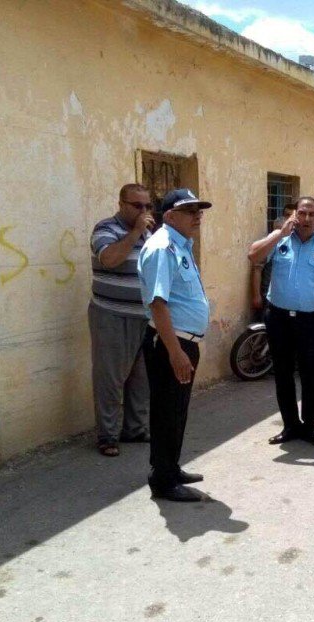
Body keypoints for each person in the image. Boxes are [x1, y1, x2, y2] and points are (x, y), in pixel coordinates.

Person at [248, 197, 314, 448]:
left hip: (311, 320)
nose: (306, 219)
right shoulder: (280, 239)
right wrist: (278, 234)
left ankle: (309, 427)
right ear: (294, 215)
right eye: (302, 213)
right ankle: (290, 425)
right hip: (278, 318)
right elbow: (253, 255)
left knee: (311, 374)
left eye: (312, 214)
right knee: (283, 373)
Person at [137, 188, 213, 502]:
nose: (197, 216)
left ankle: (170, 467)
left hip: (182, 342)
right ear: (169, 215)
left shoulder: (180, 246)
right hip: (170, 343)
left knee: (177, 409)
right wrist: (175, 352)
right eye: (189, 210)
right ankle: (164, 482)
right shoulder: (162, 247)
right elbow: (157, 304)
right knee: (167, 411)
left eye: (199, 210)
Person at [88, 184, 156, 457]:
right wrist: (136, 231)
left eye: (147, 206)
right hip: (112, 315)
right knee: (110, 378)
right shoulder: (105, 229)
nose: (143, 211)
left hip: (144, 316)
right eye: (137, 206)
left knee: (141, 379)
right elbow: (110, 259)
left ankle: (135, 429)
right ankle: (108, 435)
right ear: (121, 204)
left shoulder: (150, 233)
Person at [251, 203, 296, 319]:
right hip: (269, 294)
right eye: (287, 215)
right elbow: (257, 268)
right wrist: (257, 296)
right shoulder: (271, 241)